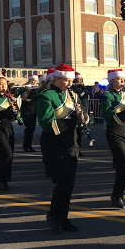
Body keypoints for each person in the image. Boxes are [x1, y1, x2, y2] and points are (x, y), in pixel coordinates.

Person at [37, 63, 86, 234]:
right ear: (56, 79)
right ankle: (54, 216)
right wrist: (71, 121)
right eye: (66, 80)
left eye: (71, 80)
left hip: (70, 141)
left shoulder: (71, 94)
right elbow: (47, 123)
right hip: (54, 143)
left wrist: (82, 118)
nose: (69, 84)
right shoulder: (46, 95)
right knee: (63, 182)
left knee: (69, 183)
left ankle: (63, 218)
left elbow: (82, 115)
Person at [101, 68, 125, 208]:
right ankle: (116, 194)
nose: (123, 81)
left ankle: (118, 195)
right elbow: (110, 118)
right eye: (120, 79)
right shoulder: (107, 96)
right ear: (112, 80)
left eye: (123, 79)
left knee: (121, 166)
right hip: (114, 132)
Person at [14, 74, 40, 152]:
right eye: (33, 80)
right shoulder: (24, 88)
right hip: (26, 108)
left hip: (34, 108)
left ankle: (29, 145)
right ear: (29, 80)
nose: (34, 82)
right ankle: (26, 145)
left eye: (36, 80)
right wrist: (22, 88)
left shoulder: (37, 88)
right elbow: (15, 94)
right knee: (29, 127)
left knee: (32, 128)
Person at [71, 72, 89, 156]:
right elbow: (79, 95)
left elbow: (84, 95)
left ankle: (78, 148)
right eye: (79, 79)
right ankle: (74, 148)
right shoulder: (72, 88)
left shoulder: (82, 87)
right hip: (75, 111)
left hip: (82, 109)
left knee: (80, 131)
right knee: (74, 132)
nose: (81, 81)